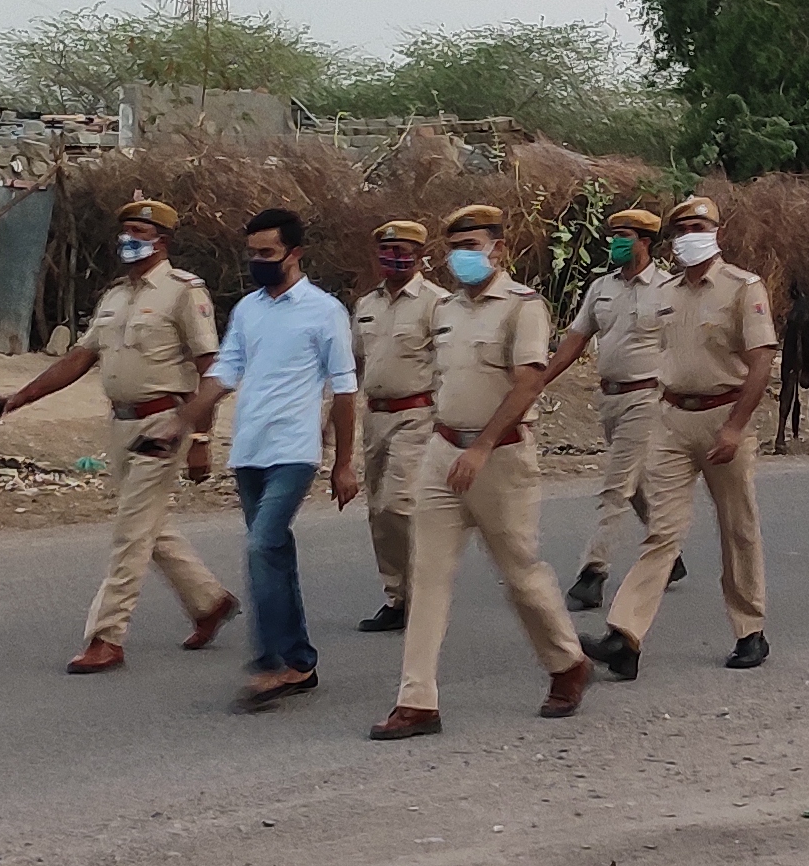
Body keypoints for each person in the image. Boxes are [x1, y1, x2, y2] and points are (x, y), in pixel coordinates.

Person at [0, 197, 237, 673]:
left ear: (162, 241)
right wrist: (18, 398)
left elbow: (210, 369)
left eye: (141, 233)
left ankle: (106, 637)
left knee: (129, 534)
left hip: (166, 423)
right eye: (127, 231)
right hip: (121, 425)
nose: (130, 241)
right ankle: (208, 601)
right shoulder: (115, 296)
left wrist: (200, 441)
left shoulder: (183, 291)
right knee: (146, 525)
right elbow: (80, 358)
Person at [371, 205, 590, 739]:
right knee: (427, 576)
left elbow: (529, 383)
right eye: (456, 246)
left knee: (520, 574)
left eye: (475, 244)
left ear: (499, 249)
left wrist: (484, 446)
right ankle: (417, 699)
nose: (464, 256)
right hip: (442, 450)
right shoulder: (445, 309)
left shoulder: (522, 308)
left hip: (502, 457)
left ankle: (566, 663)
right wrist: (446, 444)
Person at [585, 195, 780, 678]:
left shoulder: (742, 288)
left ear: (717, 231)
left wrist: (735, 427)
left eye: (699, 225)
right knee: (662, 531)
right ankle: (625, 636)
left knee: (738, 528)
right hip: (671, 418)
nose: (690, 233)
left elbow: (760, 362)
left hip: (723, 417)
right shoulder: (666, 293)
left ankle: (749, 630)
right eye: (682, 227)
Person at [178, 209, 363, 711]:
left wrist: (344, 462)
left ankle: (270, 661)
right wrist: (186, 419)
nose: (258, 262)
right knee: (274, 550)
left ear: (295, 253)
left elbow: (345, 390)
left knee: (261, 545)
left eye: (267, 253)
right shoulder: (247, 310)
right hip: (249, 449)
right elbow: (225, 371)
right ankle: (300, 660)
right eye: (252, 254)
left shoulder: (325, 312)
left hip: (294, 450)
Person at [548, 207, 676, 612]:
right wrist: (538, 380)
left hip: (647, 397)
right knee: (633, 482)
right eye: (613, 235)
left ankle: (593, 572)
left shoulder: (669, 290)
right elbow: (575, 340)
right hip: (610, 398)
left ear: (645, 242)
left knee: (615, 484)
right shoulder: (601, 288)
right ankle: (667, 548)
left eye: (624, 235)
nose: (616, 242)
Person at [347, 219, 447, 634]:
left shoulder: (436, 303)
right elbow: (354, 365)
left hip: (418, 415)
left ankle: (425, 591)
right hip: (375, 416)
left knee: (398, 503)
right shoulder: (366, 305)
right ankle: (398, 596)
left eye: (405, 250)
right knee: (377, 510)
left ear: (421, 256)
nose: (396, 257)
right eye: (388, 250)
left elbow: (449, 366)